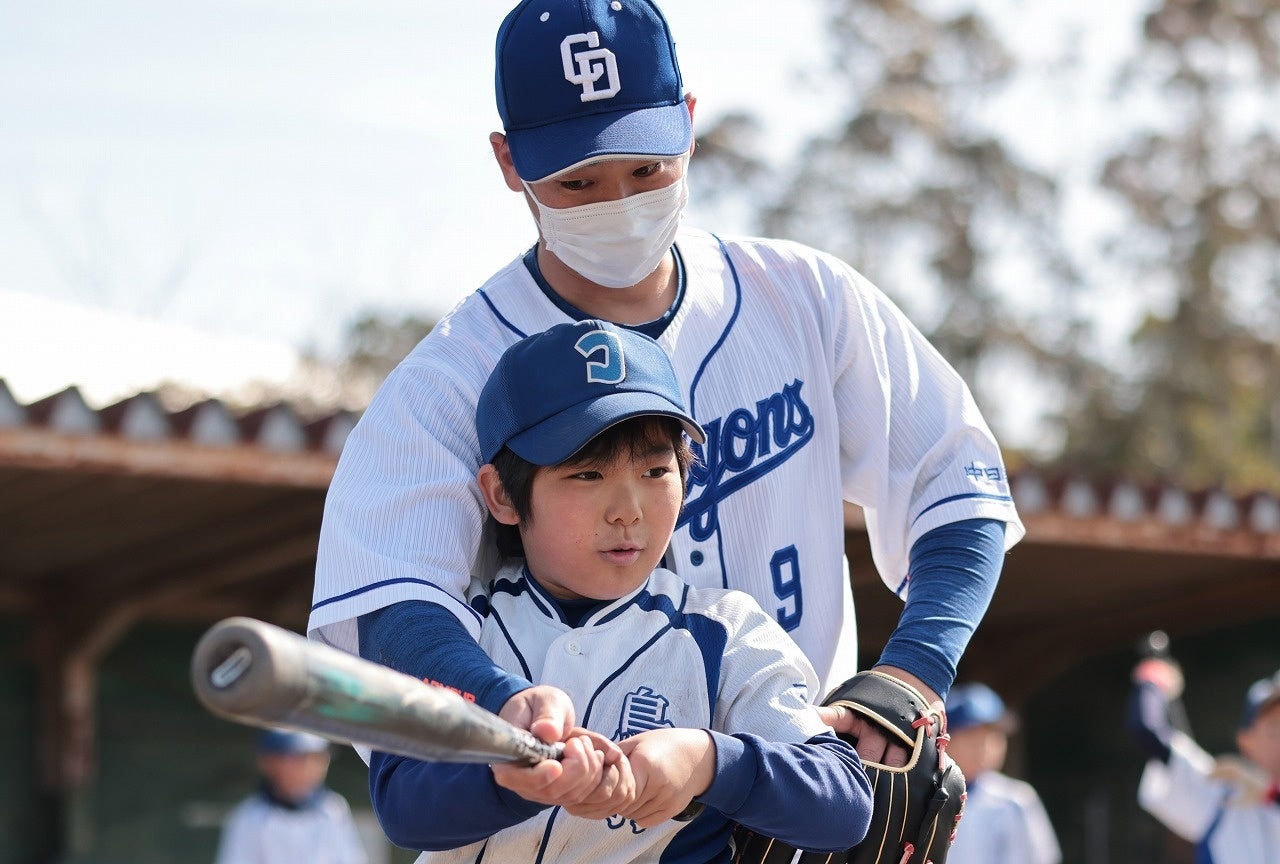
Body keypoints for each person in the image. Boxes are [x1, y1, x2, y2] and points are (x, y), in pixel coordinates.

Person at [310, 0, 1024, 802]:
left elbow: (956, 479)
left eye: (646, 167)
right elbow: (396, 601)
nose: (618, 198)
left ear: (687, 121)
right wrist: (506, 706)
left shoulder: (804, 298)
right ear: (510, 162)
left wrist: (914, 670)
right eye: (579, 179)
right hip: (572, 824)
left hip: (784, 799)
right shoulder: (447, 380)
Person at [369, 319, 873, 860]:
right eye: (588, 475)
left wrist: (708, 762)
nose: (629, 511)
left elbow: (843, 803)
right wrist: (506, 783)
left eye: (656, 471)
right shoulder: (461, 621)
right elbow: (401, 804)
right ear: (502, 495)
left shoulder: (721, 630)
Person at [1128, 656, 1280, 859]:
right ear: (1246, 739)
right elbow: (1148, 731)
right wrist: (1153, 681)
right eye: (1274, 728)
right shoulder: (1221, 792)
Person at [943, 683, 1060, 864]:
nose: (986, 747)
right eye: (973, 736)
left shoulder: (1017, 798)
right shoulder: (926, 796)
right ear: (946, 738)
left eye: (994, 736)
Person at [214, 728, 368, 864]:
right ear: (268, 762)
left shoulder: (333, 809)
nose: (311, 767)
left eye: (317, 757)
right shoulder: (249, 818)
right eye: (299, 758)